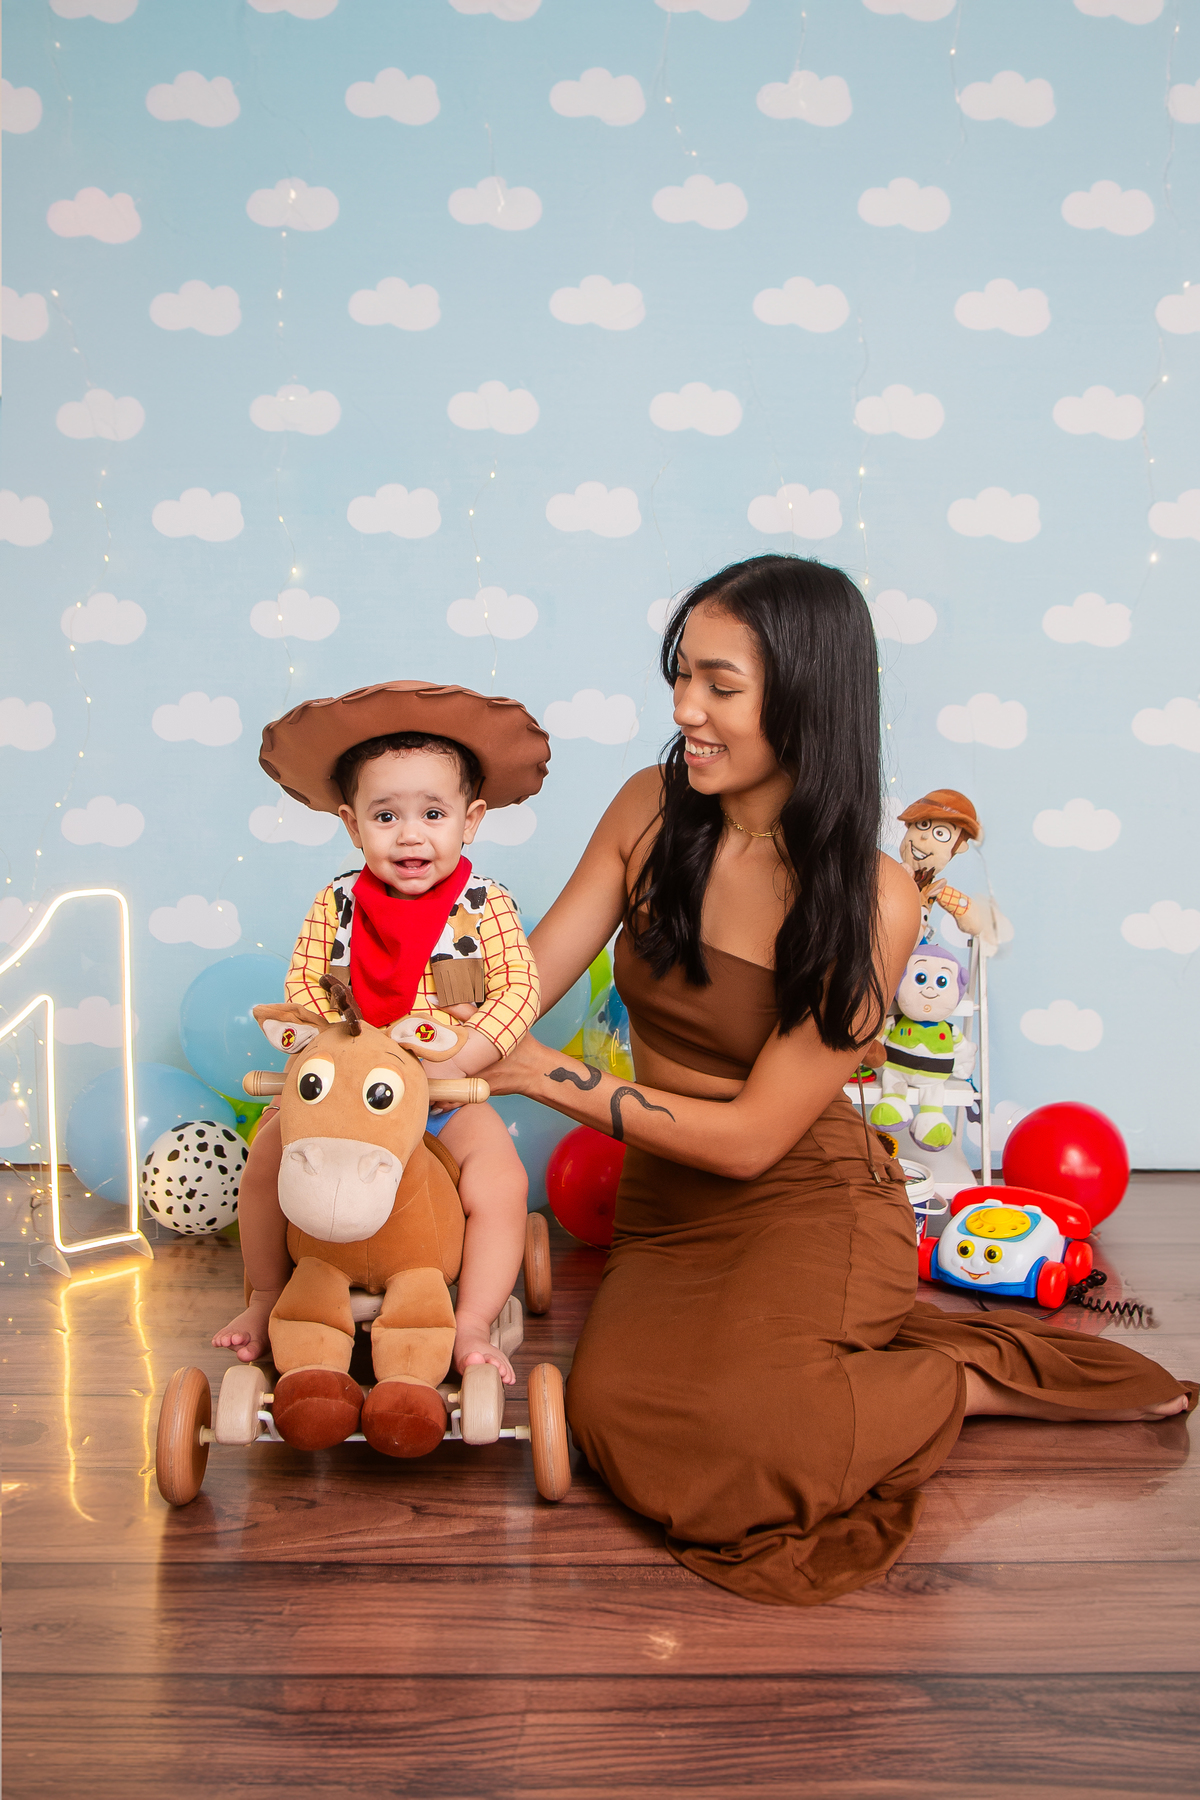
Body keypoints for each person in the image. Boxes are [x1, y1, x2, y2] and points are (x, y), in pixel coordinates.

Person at [485, 555, 1195, 1608]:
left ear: (807, 697)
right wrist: (398, 1033)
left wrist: (546, 1074)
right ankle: (829, 1356)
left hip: (805, 1196)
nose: (684, 710)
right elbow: (522, 988)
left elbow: (752, 1140)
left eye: (720, 686)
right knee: (609, 1414)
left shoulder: (873, 897)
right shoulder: (647, 808)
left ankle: (956, 1380)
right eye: (681, 676)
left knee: (748, 1445)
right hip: (670, 1203)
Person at [214, 679, 549, 1391]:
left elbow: (518, 990)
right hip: (346, 1092)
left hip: (442, 1093)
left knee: (500, 1178)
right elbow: (306, 989)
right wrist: (339, 1048)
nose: (411, 834)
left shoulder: (485, 906)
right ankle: (267, 1293)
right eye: (386, 815)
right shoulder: (334, 904)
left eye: (434, 813)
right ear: (351, 824)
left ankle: (472, 1321)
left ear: (471, 819)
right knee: (266, 1161)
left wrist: (462, 1058)